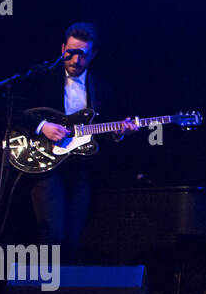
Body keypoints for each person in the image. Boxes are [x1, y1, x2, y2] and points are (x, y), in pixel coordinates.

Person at [9, 23, 136, 262]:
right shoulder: (42, 78)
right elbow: (11, 110)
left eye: (83, 54)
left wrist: (121, 132)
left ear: (93, 55)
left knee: (73, 240)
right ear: (62, 49)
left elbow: (107, 129)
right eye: (71, 52)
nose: (76, 60)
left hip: (80, 169)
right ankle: (32, 292)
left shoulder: (101, 88)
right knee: (52, 233)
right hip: (46, 164)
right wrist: (42, 126)